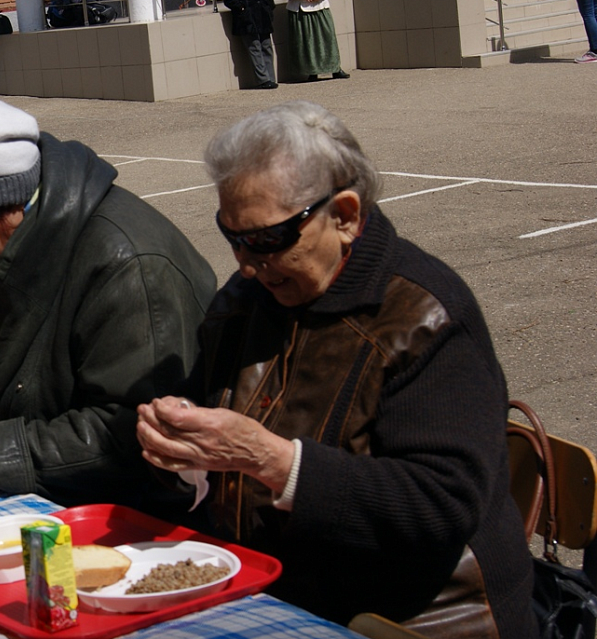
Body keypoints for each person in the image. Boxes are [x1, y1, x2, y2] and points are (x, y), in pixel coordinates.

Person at [135, 102, 537, 636]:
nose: (245, 263)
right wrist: (176, 442)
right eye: (231, 236)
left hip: (415, 615)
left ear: (344, 216)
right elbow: (207, 418)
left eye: (265, 239)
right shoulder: (247, 298)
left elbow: (442, 506)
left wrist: (276, 463)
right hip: (271, 589)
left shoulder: (426, 316)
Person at [0, 95, 217, 507]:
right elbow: (30, 376)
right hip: (49, 496)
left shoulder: (130, 264)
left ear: (13, 206)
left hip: (132, 518)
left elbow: (136, 430)